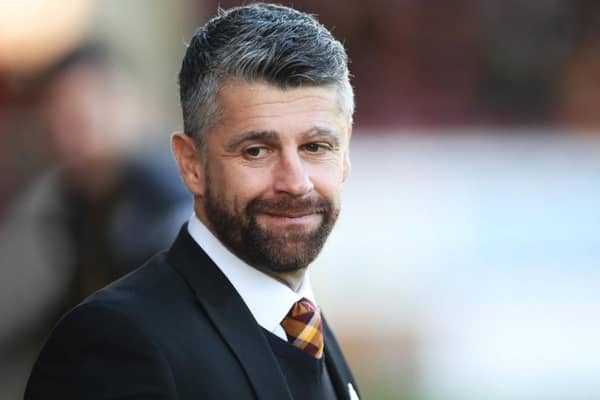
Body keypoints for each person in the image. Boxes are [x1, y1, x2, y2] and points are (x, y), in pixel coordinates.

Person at [25, 4, 359, 399]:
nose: (295, 182)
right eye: (256, 151)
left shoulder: (302, 324)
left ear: (345, 155)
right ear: (191, 165)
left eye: (316, 146)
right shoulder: (115, 344)